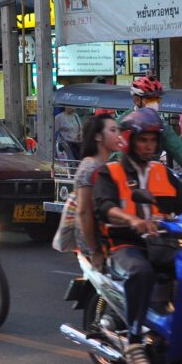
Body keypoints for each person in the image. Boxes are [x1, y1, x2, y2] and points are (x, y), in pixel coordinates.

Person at [93, 108, 182, 364]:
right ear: (129, 140)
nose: (149, 146)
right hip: (125, 244)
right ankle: (133, 338)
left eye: (153, 140)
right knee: (141, 272)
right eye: (143, 140)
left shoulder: (162, 173)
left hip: (164, 242)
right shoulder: (111, 172)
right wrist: (133, 220)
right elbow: (104, 206)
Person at [72, 114, 120, 269]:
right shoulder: (90, 167)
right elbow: (84, 212)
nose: (118, 135)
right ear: (98, 136)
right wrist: (95, 250)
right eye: (113, 130)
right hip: (94, 245)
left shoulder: (106, 165)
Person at [124, 76, 182, 168]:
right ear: (137, 100)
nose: (155, 104)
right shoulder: (125, 121)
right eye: (150, 100)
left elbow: (179, 150)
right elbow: (115, 155)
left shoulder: (161, 124)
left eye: (157, 100)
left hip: (152, 174)